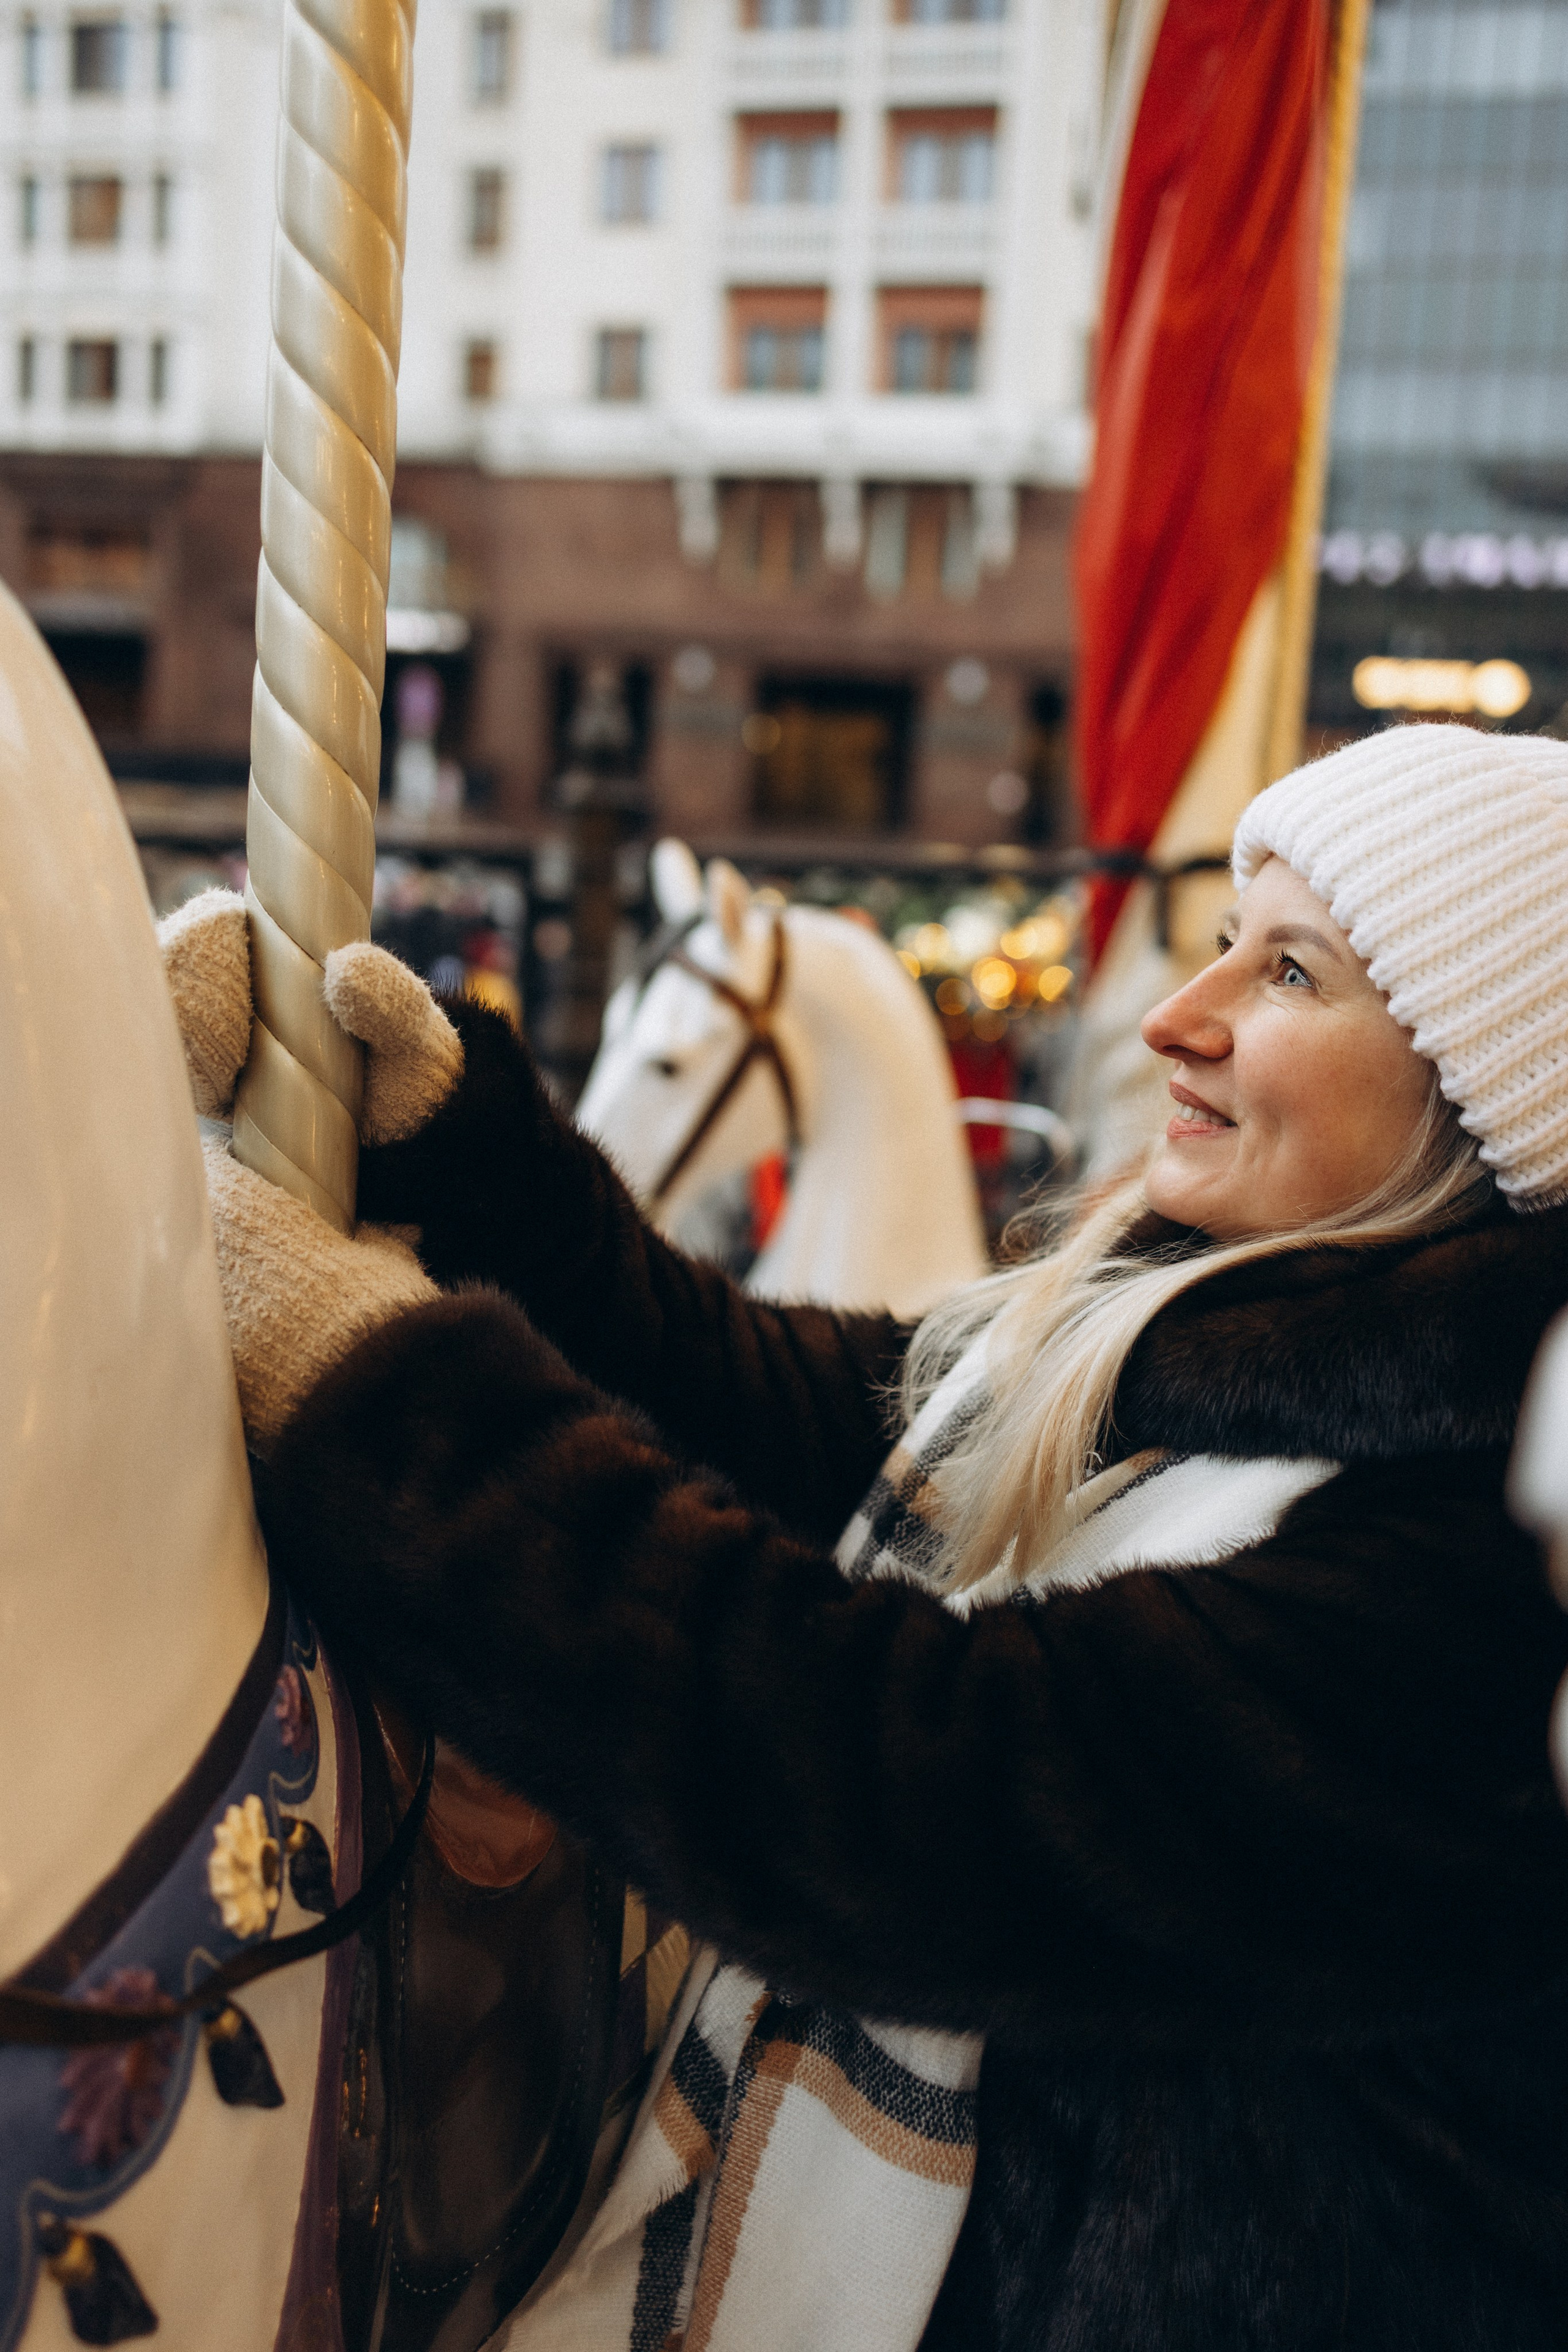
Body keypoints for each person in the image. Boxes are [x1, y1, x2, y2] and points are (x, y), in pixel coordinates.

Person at [174, 725, 1568, 2352]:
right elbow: (792, 1406)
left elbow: (901, 1780)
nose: (1183, 1020)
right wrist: (467, 1153)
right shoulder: (1185, 1347)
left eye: (1293, 976)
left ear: (1489, 1099)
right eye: (1219, 949)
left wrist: (380, 1397)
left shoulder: (1478, 1573)